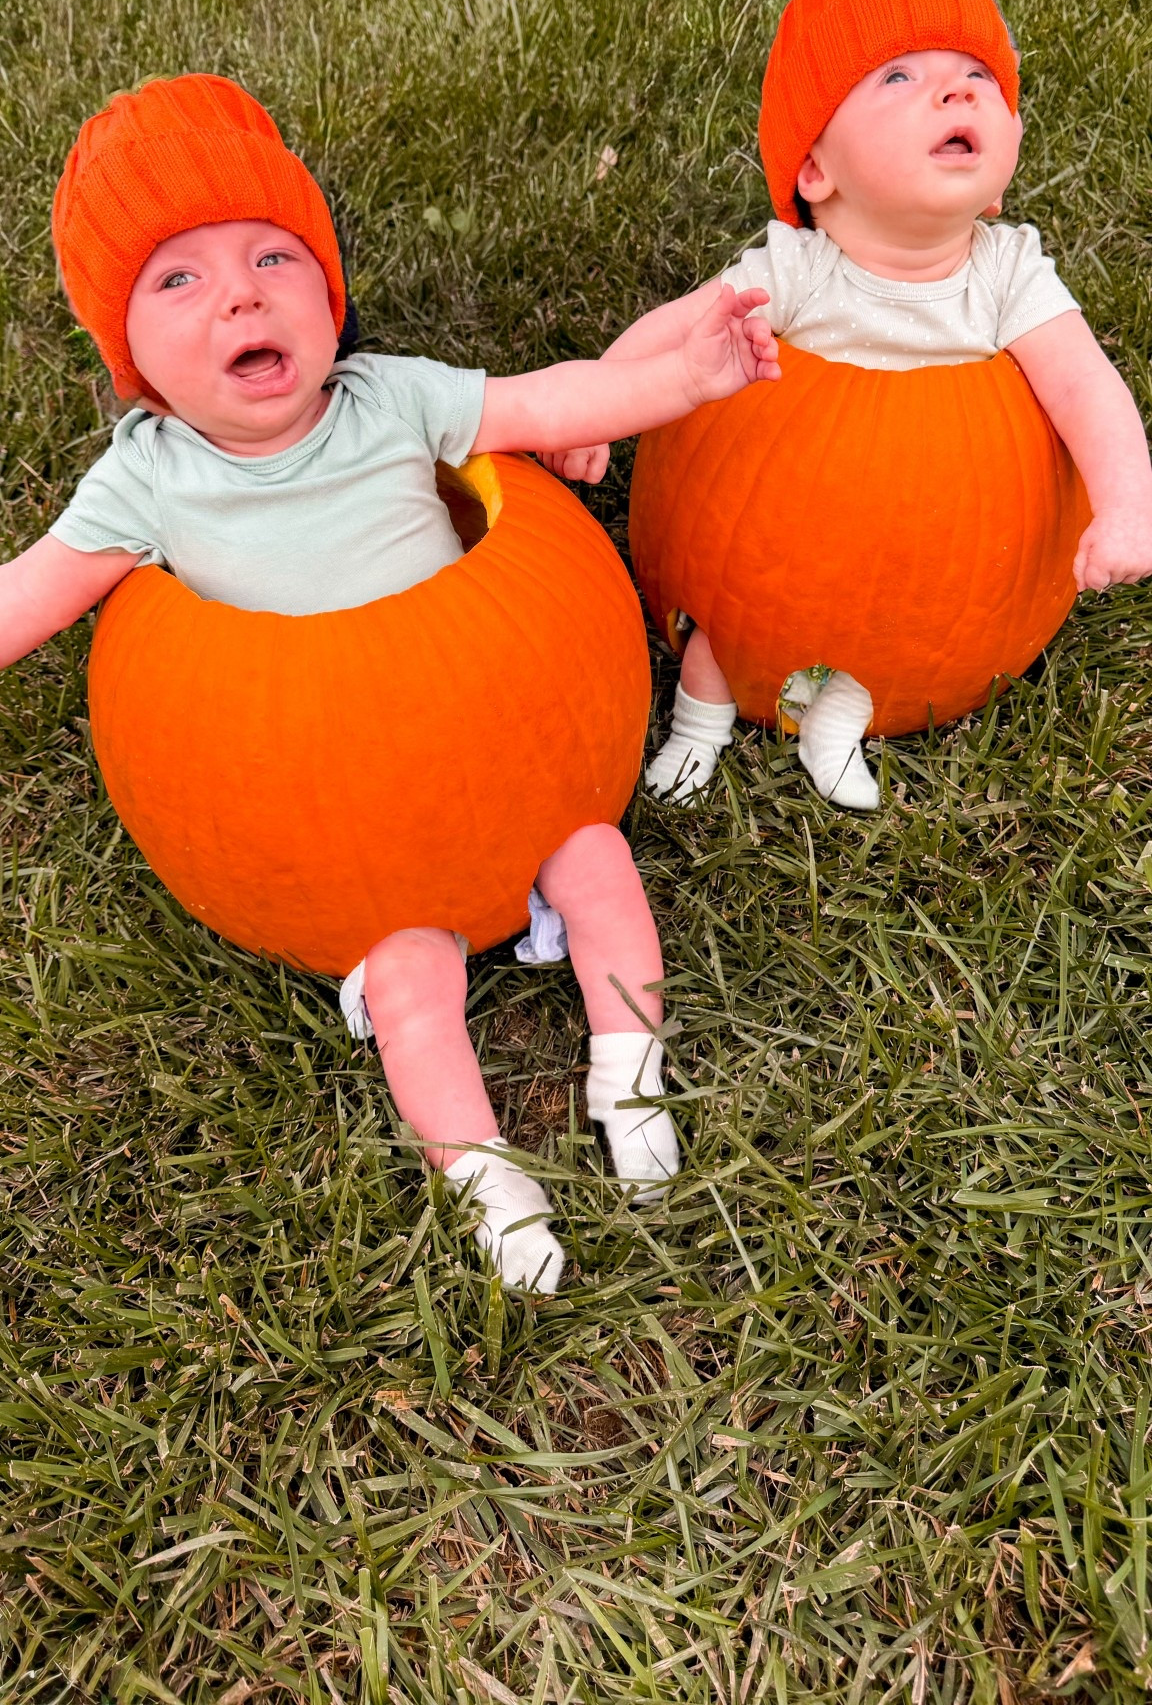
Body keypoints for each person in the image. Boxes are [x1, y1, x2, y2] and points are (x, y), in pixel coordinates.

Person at [0, 73, 779, 1292]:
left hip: (499, 761)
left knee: (599, 861)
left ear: (328, 295)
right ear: (130, 359)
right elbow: (26, 595)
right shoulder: (145, 483)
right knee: (413, 982)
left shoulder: (392, 398)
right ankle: (488, 1180)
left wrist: (686, 380)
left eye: (274, 256)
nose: (242, 292)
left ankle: (630, 1075)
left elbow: (550, 399)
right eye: (178, 279)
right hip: (338, 834)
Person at [545, 0, 1152, 808]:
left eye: (979, 77)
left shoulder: (1011, 275)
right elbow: (676, 330)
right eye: (900, 77)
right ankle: (700, 723)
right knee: (725, 632)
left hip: (928, 577)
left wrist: (1127, 507)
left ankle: (837, 722)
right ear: (815, 171)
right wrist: (595, 408)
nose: (955, 92)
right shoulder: (795, 271)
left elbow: (1087, 388)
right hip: (767, 551)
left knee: (874, 643)